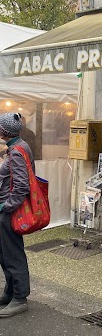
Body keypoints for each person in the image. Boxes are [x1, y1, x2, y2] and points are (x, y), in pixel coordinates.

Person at [0, 112, 34, 317]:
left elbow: (21, 186)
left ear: (4, 131)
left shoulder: (17, 151)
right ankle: (11, 292)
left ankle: (20, 298)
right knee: (4, 253)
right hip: (8, 208)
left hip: (9, 211)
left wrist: (6, 207)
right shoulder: (18, 147)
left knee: (12, 254)